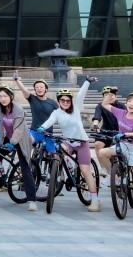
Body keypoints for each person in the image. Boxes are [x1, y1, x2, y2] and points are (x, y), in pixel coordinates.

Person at [35, 80, 101, 212]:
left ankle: (95, 200)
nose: (65, 102)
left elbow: (81, 94)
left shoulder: (76, 109)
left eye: (67, 100)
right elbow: (49, 122)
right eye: (62, 100)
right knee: (59, 150)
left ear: (71, 101)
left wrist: (87, 81)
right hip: (68, 142)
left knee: (85, 170)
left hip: (81, 143)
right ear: (59, 101)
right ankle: (65, 169)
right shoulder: (57, 113)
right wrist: (42, 127)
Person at [0, 85, 39, 212]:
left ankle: (32, 201)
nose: (2, 99)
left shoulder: (18, 110)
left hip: (21, 139)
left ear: (11, 97)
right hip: (7, 137)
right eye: (0, 96)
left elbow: (19, 131)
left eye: (5, 96)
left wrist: (13, 142)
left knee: (25, 168)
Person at [98, 92, 133, 216]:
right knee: (101, 153)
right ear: (126, 103)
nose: (131, 104)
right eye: (129, 101)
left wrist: (126, 135)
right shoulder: (120, 112)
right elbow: (104, 104)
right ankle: (114, 177)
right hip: (122, 145)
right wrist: (110, 93)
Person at [90, 85, 126, 166]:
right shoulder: (100, 106)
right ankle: (105, 168)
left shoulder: (121, 106)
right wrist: (95, 125)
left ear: (115, 96)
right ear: (103, 97)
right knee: (98, 144)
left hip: (119, 132)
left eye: (112, 95)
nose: (109, 97)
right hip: (106, 131)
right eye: (106, 95)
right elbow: (97, 117)